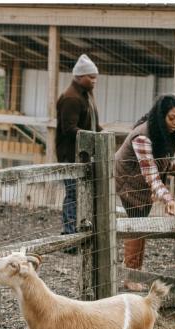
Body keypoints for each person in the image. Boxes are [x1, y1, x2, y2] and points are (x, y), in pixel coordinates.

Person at [113, 94, 175, 291]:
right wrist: (168, 199)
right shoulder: (142, 136)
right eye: (171, 118)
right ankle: (130, 275)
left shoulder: (166, 134)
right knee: (137, 224)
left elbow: (170, 160)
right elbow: (151, 175)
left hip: (142, 183)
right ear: (161, 115)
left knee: (140, 224)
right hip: (129, 181)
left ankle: (133, 270)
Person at [56, 54, 102, 238]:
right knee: (73, 193)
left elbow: (90, 123)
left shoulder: (85, 96)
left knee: (79, 193)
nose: (94, 81)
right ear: (79, 77)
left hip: (81, 154)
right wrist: (93, 137)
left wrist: (101, 133)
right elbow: (69, 129)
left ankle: (76, 229)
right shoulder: (71, 98)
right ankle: (69, 233)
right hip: (70, 155)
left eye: (95, 77)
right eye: (90, 77)